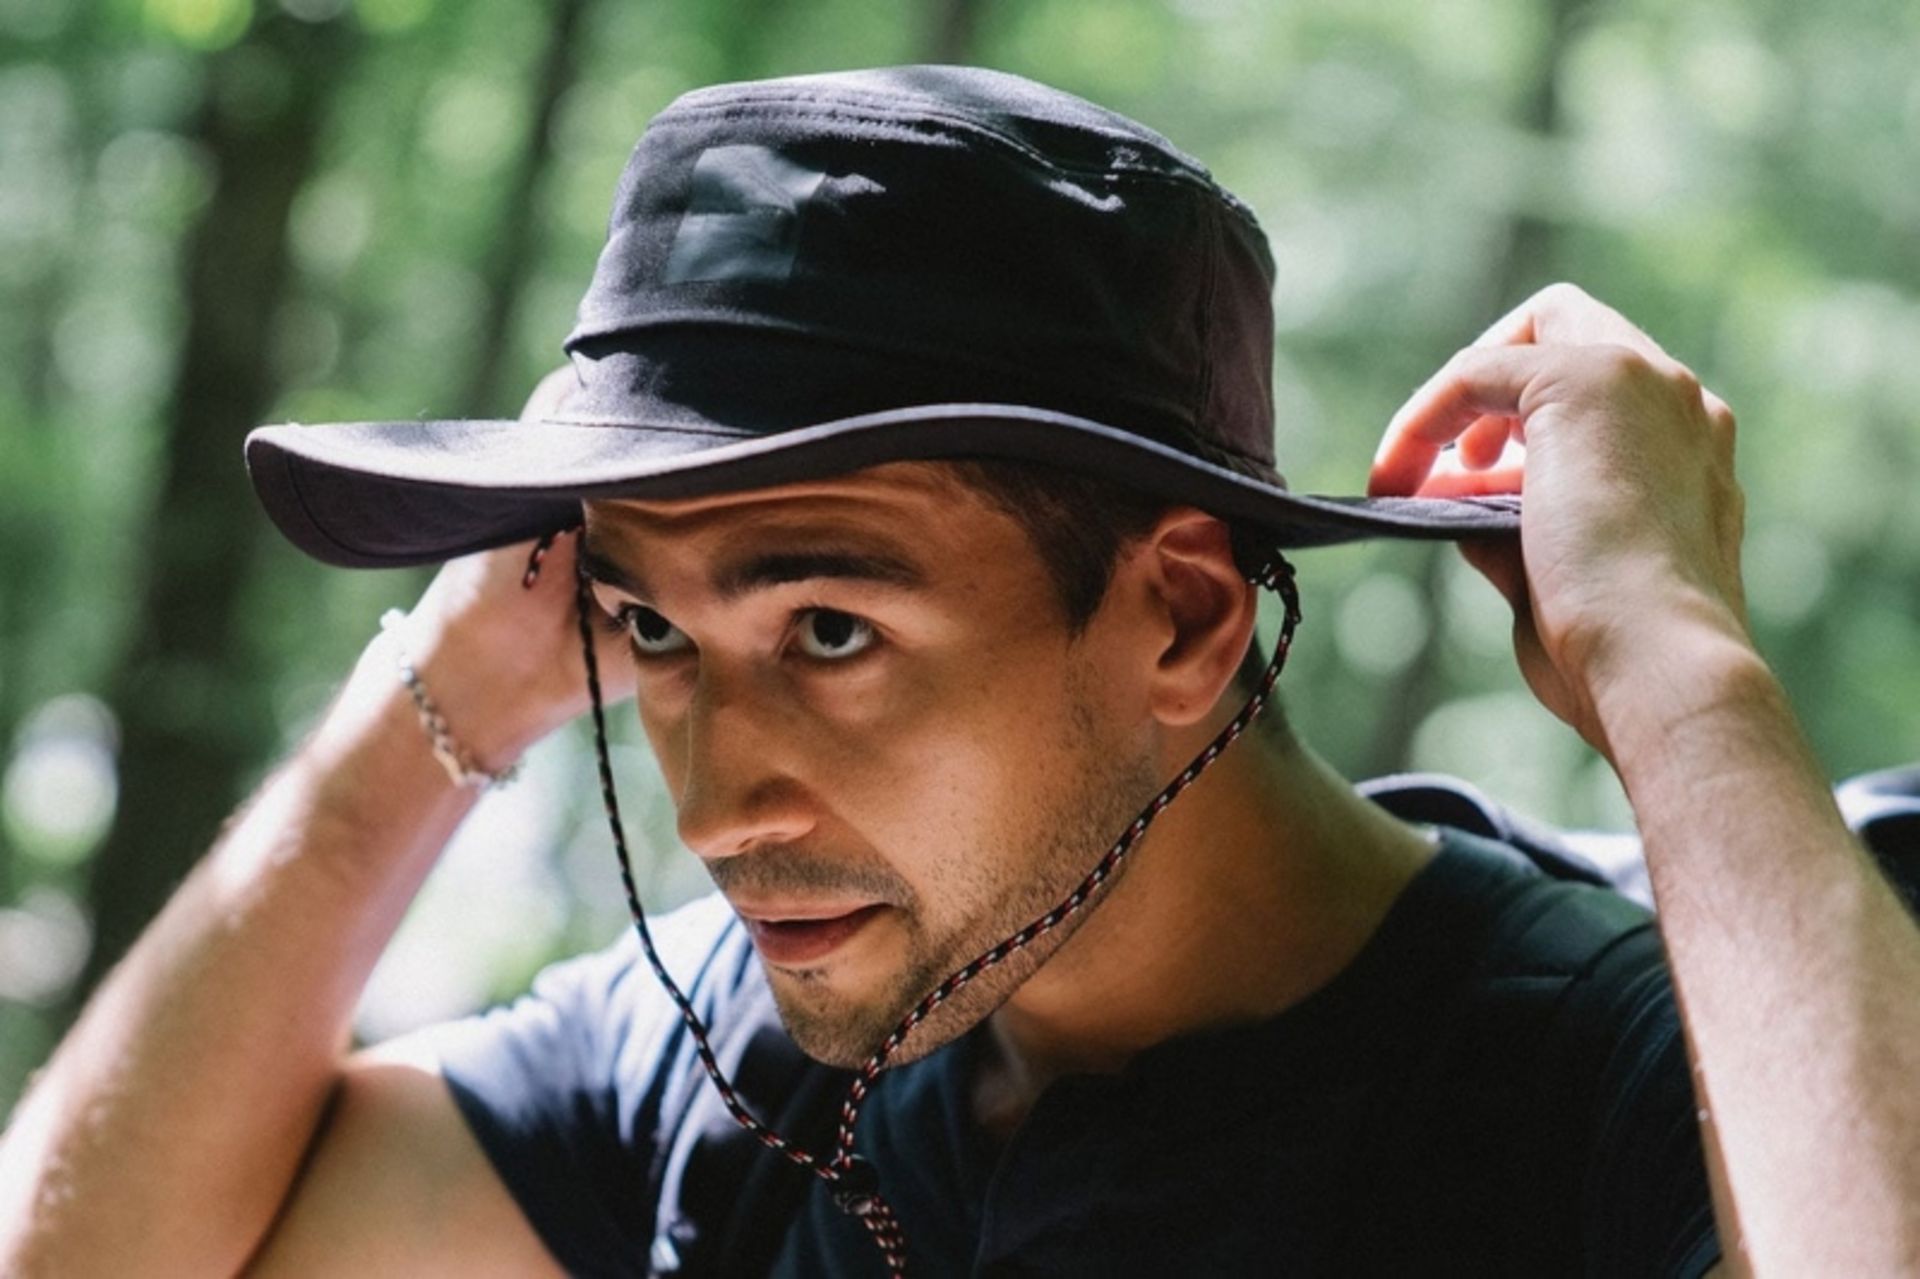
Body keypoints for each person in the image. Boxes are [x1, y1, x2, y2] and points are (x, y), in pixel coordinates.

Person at [4, 65, 1918, 1277]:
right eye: (657, 632)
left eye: (831, 631)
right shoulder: (724, 1080)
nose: (714, 797)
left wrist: (1669, 661)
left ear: (1181, 619)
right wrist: (433, 709)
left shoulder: (1644, 1076)